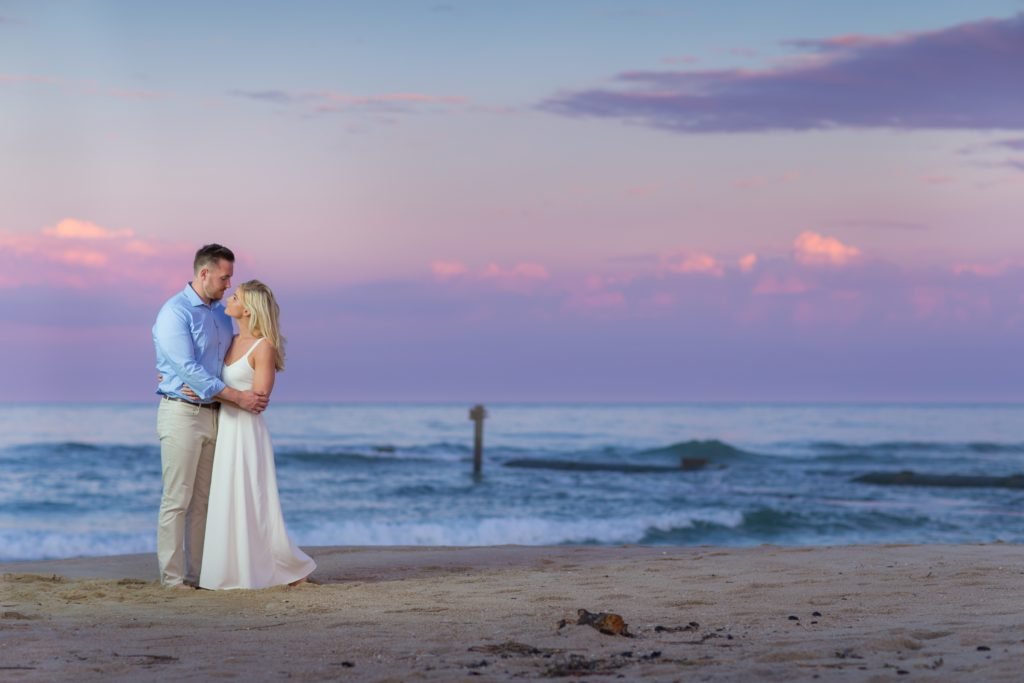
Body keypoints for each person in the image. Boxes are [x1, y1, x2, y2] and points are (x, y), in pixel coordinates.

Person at [153, 244, 269, 589]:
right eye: (224, 277)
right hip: (182, 414)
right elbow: (185, 366)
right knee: (177, 499)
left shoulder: (221, 314)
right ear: (204, 273)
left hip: (217, 414)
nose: (228, 285)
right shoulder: (174, 313)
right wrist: (235, 396)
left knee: (204, 501)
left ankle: (199, 575)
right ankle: (173, 580)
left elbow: (226, 360)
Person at [196, 280, 316, 590]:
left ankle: (285, 568)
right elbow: (213, 380)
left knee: (252, 499)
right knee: (227, 497)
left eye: (235, 297)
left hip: (247, 433)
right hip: (226, 428)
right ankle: (230, 570)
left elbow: (259, 399)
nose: (229, 298)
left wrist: (213, 392)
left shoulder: (264, 347)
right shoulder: (230, 340)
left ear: (247, 309)